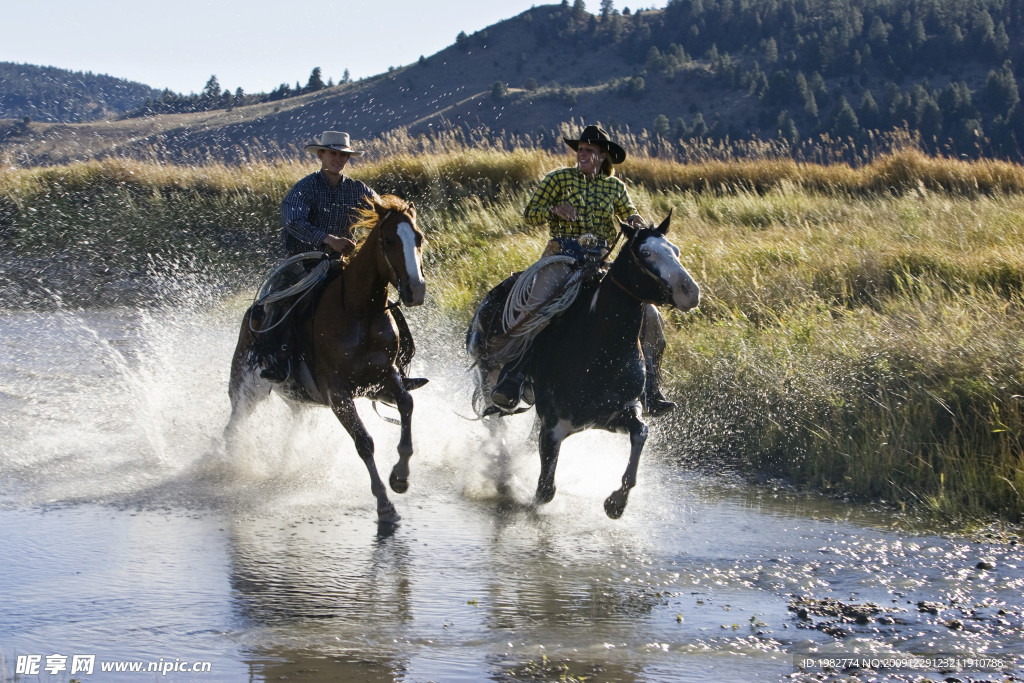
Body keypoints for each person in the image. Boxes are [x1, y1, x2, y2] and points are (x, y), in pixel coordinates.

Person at [488, 124, 675, 416]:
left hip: (601, 261)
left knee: (649, 315)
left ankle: (651, 389)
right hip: (561, 257)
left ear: (603, 156)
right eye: (581, 150)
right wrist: (554, 210)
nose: (582, 154)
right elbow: (529, 214)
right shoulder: (558, 179)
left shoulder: (614, 187)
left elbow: (627, 213)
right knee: (541, 306)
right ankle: (513, 375)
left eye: (589, 150)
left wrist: (636, 220)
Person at [256, 131, 422, 388]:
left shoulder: (359, 190)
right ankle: (278, 360)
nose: (337, 159)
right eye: (332, 153)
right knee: (282, 301)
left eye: (342, 155)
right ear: (321, 155)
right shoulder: (304, 188)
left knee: (386, 306)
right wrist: (328, 239)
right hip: (302, 262)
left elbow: (383, 219)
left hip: (342, 265)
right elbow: (292, 223)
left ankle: (398, 365)